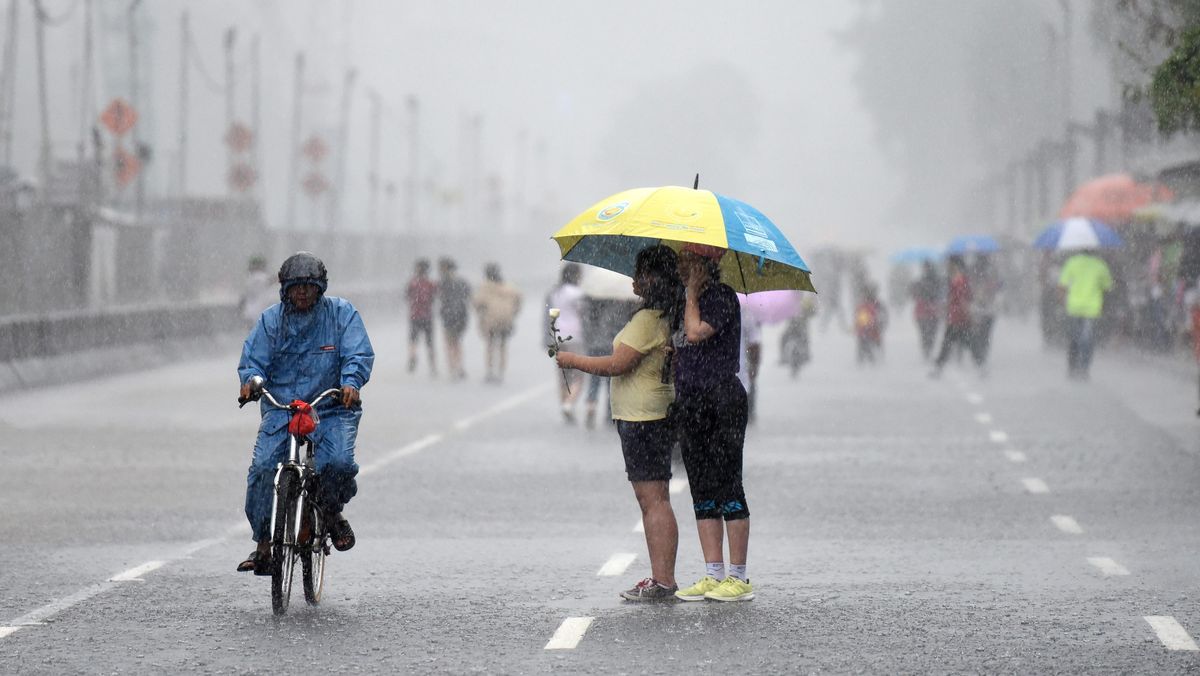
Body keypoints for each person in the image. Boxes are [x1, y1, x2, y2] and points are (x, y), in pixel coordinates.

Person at [556, 245, 683, 601]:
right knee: (655, 499)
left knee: (653, 500)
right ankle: (663, 577)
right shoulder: (664, 315)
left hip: (643, 416)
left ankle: (662, 579)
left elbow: (618, 364)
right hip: (652, 413)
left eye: (640, 272)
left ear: (654, 278)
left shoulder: (648, 320)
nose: (634, 279)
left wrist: (572, 360)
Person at [235, 252, 374, 574]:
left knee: (337, 464)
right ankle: (264, 545)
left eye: (308, 287)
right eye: (295, 287)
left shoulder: (342, 315)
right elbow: (253, 360)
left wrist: (351, 383)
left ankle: (329, 512)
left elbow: (358, 353)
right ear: (284, 289)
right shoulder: (271, 320)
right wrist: (251, 382)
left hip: (332, 407)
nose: (301, 293)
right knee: (263, 468)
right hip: (282, 408)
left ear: (320, 288)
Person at [671, 243, 754, 603]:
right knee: (702, 487)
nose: (681, 269)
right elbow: (682, 342)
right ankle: (712, 573)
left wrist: (691, 295)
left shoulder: (721, 297)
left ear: (704, 266)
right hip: (691, 401)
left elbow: (695, 333)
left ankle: (738, 577)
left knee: (728, 485)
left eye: (687, 263)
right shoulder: (685, 298)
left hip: (722, 399)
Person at [1058, 249, 1113, 380]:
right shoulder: (1100, 265)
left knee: (1074, 338)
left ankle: (1072, 366)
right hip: (1092, 308)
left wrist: (1062, 302)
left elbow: (1062, 285)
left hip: (1074, 307)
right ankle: (1084, 367)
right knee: (1087, 340)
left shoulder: (1071, 262)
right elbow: (1108, 286)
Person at [546, 263, 586, 423]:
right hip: (575, 336)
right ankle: (569, 404)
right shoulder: (578, 294)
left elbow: (553, 314)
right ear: (576, 275)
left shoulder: (556, 293)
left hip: (558, 335)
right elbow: (583, 313)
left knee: (563, 374)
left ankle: (564, 403)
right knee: (578, 375)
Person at [929, 255, 978, 378]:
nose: (947, 267)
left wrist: (967, 313)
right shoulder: (957, 279)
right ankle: (981, 365)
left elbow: (963, 299)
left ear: (955, 265)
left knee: (951, 344)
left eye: (950, 264)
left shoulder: (959, 280)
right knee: (966, 343)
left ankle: (938, 368)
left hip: (958, 319)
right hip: (957, 318)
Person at [473, 262, 522, 383]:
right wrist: (513, 312)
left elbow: (477, 303)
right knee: (503, 346)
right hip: (506, 320)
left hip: (490, 321)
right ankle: (501, 371)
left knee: (490, 346)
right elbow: (519, 299)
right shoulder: (509, 287)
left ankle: (490, 371)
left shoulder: (485, 288)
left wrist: (481, 316)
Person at [437, 257, 471, 380]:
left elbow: (440, 298)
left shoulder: (443, 283)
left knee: (449, 343)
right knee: (457, 342)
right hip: (461, 316)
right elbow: (468, 297)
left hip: (448, 316)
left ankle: (452, 368)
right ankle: (459, 366)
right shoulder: (462, 282)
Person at [405, 258, 438, 376]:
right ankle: (432, 364)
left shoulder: (412, 283)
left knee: (413, 340)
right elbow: (434, 298)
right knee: (430, 342)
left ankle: (412, 357)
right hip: (427, 316)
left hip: (415, 315)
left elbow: (407, 297)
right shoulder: (431, 284)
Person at [970, 254, 1001, 371]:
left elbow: (969, 288)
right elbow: (999, 285)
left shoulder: (972, 271)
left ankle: (978, 354)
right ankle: (982, 354)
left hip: (977, 309)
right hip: (988, 309)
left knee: (977, 333)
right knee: (986, 334)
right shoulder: (992, 270)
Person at [909, 261, 941, 360]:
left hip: (923, 312)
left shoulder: (921, 282)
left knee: (925, 333)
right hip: (931, 311)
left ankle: (927, 349)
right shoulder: (936, 281)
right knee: (930, 332)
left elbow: (914, 294)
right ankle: (928, 349)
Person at [779, 295, 816, 379]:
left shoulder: (802, 301)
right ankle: (784, 356)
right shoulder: (793, 301)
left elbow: (812, 312)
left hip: (797, 328)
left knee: (785, 339)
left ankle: (784, 356)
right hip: (794, 328)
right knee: (784, 338)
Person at [239, 255, 277, 328]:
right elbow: (270, 280)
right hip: (258, 314)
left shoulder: (249, 278)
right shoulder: (258, 277)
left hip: (249, 313)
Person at [853, 282, 886, 364]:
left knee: (873, 344)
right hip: (865, 328)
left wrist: (879, 323)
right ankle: (865, 361)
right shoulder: (863, 304)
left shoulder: (876, 304)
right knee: (863, 344)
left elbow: (882, 315)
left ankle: (874, 361)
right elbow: (857, 315)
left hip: (873, 327)